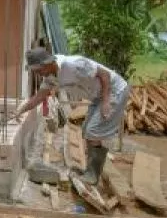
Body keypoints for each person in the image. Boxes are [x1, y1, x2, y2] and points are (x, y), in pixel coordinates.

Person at [13, 48, 130, 185]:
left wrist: (105, 101)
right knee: (86, 131)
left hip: (114, 91)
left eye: (39, 70)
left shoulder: (73, 65)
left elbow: (104, 75)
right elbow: (38, 98)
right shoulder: (50, 78)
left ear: (48, 63)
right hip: (97, 96)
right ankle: (90, 171)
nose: (38, 74)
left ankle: (92, 175)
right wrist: (21, 110)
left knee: (93, 132)